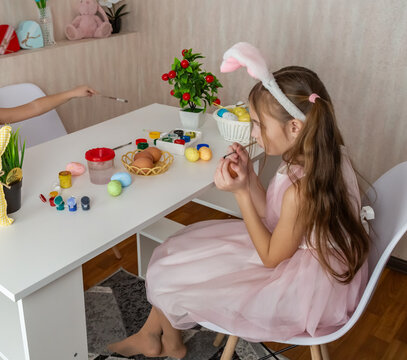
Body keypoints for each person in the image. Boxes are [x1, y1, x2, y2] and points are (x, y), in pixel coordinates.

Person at [108, 43, 371, 359]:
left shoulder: (304, 190)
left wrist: (241, 195)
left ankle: (162, 339)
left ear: (294, 126)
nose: (253, 132)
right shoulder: (320, 157)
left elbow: (272, 257)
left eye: (259, 124)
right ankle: (157, 337)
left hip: (299, 286)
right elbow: (276, 214)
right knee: (175, 254)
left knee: (172, 268)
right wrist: (249, 181)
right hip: (292, 255)